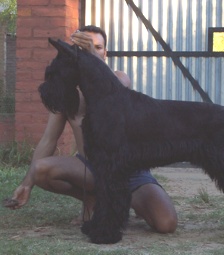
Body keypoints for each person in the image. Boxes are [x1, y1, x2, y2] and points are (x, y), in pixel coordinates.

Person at [7, 25, 177, 233]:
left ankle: (116, 198)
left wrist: (88, 57)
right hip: (89, 168)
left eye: (97, 47)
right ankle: (95, 197)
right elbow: (48, 140)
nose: (92, 51)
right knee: (40, 169)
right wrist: (27, 184)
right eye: (85, 47)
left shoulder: (118, 79)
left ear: (104, 53)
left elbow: (113, 88)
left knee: (166, 223)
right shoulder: (67, 93)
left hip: (129, 169)